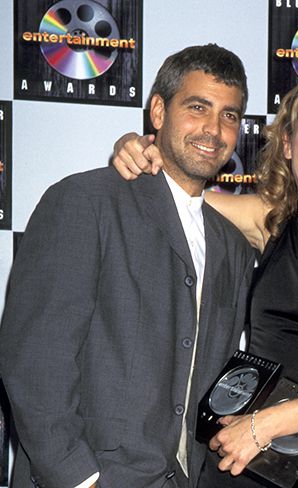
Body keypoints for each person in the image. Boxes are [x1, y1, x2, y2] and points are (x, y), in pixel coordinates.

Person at [112, 72, 298, 487]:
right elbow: (174, 190)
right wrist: (138, 148)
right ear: (288, 145)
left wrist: (262, 427)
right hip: (240, 451)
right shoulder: (269, 221)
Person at [0, 44, 256, 488]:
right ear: (158, 111)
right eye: (197, 107)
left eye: (229, 115)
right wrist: (80, 478)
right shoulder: (86, 202)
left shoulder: (232, 246)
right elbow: (36, 362)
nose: (213, 129)